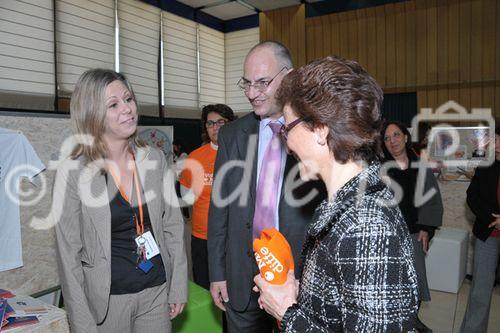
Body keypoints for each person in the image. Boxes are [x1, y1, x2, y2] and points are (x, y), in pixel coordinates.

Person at [253, 56, 419, 332]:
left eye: (288, 128)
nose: (286, 140)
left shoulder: (366, 226)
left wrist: (286, 312)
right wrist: (300, 295)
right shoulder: (345, 201)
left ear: (319, 130)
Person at [53, 69, 187, 333]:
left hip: (156, 293)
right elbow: (68, 254)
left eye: (128, 99)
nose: (127, 109)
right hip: (107, 301)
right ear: (92, 113)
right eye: (113, 105)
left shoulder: (155, 159)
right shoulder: (73, 171)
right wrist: (81, 322)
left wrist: (178, 286)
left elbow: (173, 226)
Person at [207, 41, 326, 332]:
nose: (251, 93)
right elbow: (220, 207)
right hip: (241, 276)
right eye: (246, 83)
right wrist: (218, 273)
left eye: (262, 83)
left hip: (297, 277)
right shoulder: (232, 135)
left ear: (289, 76)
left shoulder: (316, 131)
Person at [382, 121, 443, 333]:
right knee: (388, 282)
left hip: (413, 233)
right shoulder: (379, 167)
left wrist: (426, 227)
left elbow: (432, 197)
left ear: (406, 137)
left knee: (414, 280)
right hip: (387, 236)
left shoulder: (420, 165)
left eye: (396, 135)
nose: (392, 141)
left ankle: (411, 320)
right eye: (387, 138)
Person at [179, 104, 236, 290]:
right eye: (210, 123)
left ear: (231, 124)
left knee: (234, 292)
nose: (215, 127)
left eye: (221, 122)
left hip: (233, 237)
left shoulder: (242, 154)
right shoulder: (195, 158)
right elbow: (186, 198)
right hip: (202, 237)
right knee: (204, 288)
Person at [460, 126, 500, 333]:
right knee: (480, 292)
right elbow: (472, 197)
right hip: (489, 234)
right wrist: (492, 219)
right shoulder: (486, 165)